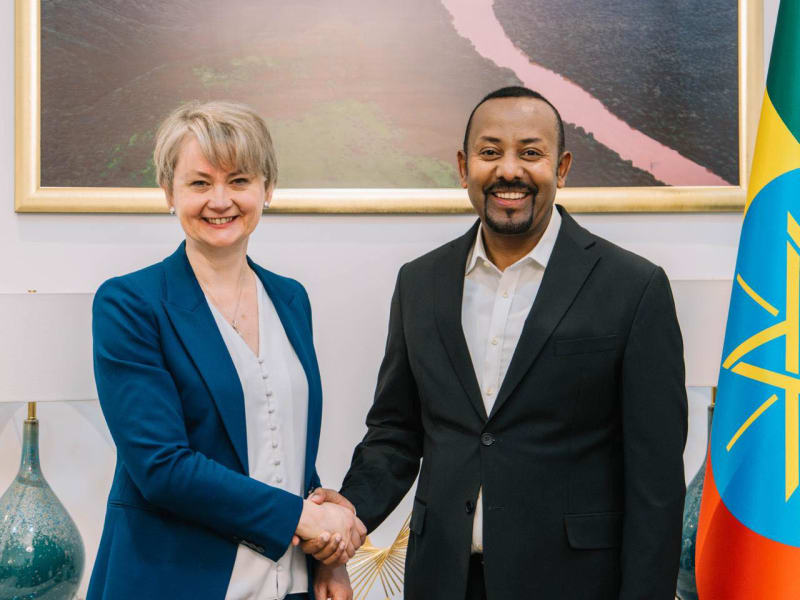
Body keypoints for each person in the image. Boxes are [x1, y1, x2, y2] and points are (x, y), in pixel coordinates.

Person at [310, 87, 687, 599]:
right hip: (443, 581)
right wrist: (349, 509)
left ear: (562, 168)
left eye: (530, 153)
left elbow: (655, 479)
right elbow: (396, 432)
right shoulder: (420, 282)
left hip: (575, 585)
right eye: (490, 152)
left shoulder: (633, 287)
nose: (509, 170)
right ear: (464, 168)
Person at [87, 100, 365, 600]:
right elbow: (161, 467)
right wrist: (303, 519)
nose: (220, 200)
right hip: (175, 580)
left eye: (239, 180)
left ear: (267, 189)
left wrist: (327, 557)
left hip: (287, 583)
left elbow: (283, 447)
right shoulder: (130, 303)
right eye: (199, 183)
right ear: (168, 192)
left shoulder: (290, 298)